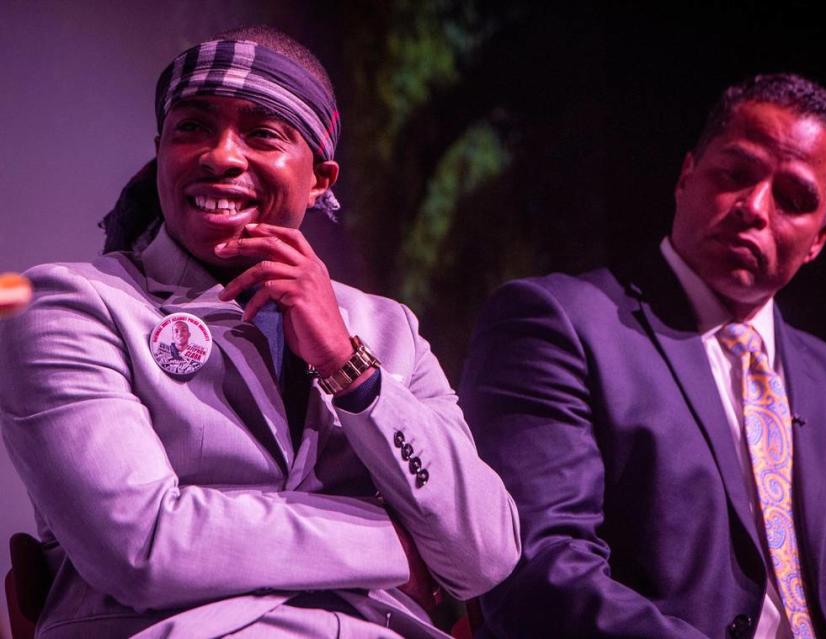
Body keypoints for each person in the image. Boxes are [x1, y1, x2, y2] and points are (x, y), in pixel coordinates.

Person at [0, 25, 519, 639]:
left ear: (320, 179)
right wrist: (396, 545)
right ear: (159, 150)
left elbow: (487, 551)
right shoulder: (71, 305)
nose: (220, 155)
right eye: (191, 128)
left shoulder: (389, 329)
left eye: (263, 134)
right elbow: (140, 544)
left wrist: (347, 365)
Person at [460, 73, 826, 638]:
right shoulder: (557, 324)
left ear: (821, 236)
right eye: (735, 174)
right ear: (686, 176)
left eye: (793, 199)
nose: (754, 207)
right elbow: (539, 572)